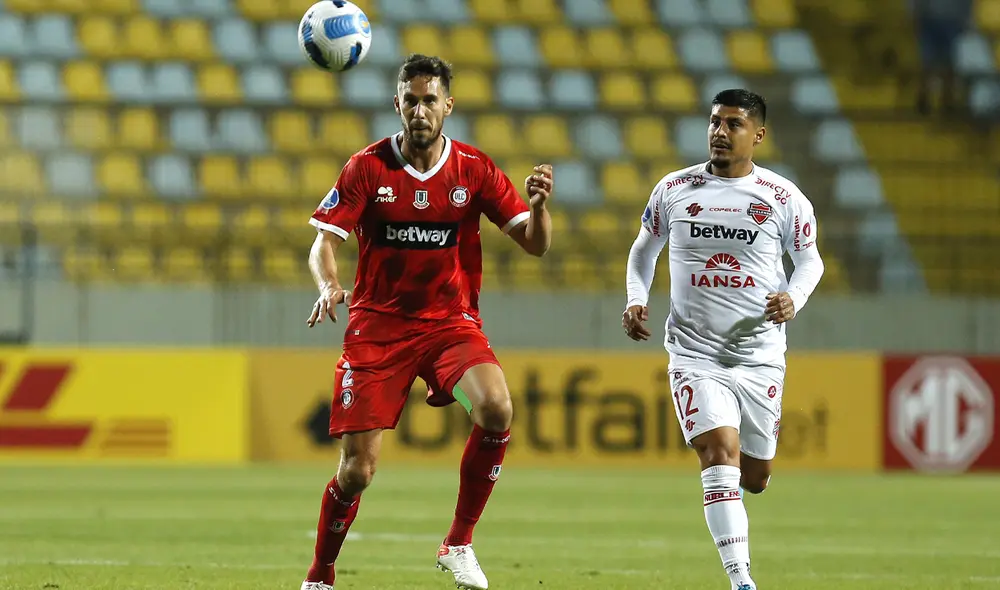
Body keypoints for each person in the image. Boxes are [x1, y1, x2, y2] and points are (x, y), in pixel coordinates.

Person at [299, 54, 553, 590]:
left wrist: (540, 208)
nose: (420, 110)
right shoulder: (366, 167)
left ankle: (458, 543)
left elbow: (533, 244)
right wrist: (328, 286)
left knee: (497, 407)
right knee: (357, 472)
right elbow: (324, 241)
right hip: (378, 328)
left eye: (430, 100)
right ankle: (320, 575)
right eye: (410, 100)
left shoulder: (474, 169)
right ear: (397, 103)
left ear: (448, 106)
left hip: (448, 326)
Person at [621, 89, 824, 590]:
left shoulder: (783, 198)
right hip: (694, 353)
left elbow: (810, 260)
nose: (719, 131)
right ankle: (741, 580)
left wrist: (793, 298)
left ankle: (748, 493)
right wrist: (634, 298)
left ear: (757, 135)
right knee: (718, 452)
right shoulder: (675, 188)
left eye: (733, 124)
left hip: (759, 359)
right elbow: (643, 251)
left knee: (753, 477)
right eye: (714, 121)